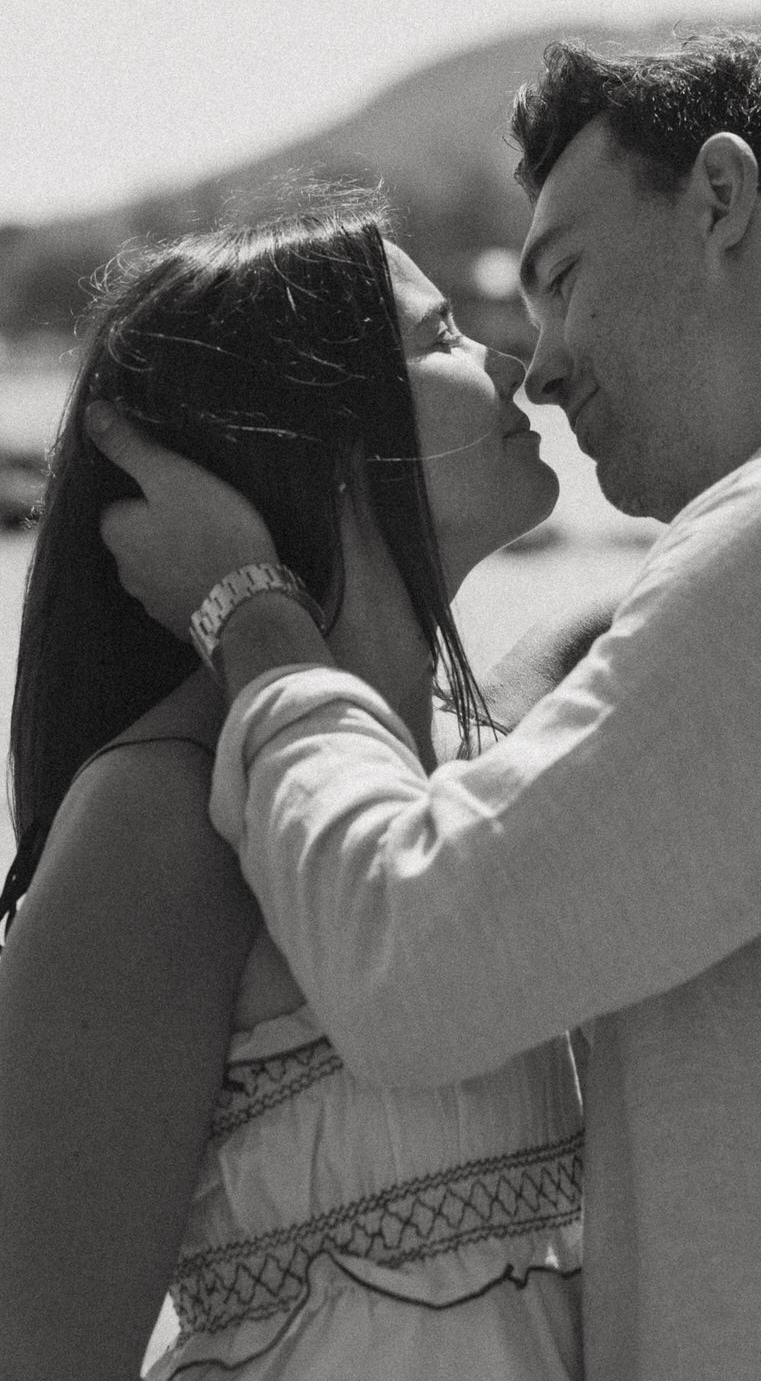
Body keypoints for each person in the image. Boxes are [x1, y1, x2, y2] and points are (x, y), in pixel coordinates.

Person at [82, 19, 761, 1379]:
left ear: (720, 199)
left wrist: (246, 612)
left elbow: (407, 964)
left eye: (557, 277)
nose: (532, 365)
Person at [0, 200, 587, 1381]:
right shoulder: (161, 822)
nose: (510, 360)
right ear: (316, 436)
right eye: (440, 342)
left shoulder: (486, 761)